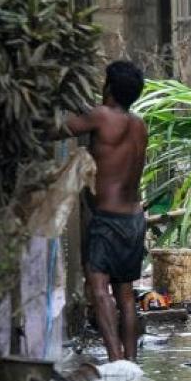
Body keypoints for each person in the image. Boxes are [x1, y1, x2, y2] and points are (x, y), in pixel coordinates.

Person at [59, 60, 148, 361]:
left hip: (107, 219)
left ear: (108, 87)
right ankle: (131, 361)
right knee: (125, 295)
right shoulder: (139, 125)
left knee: (98, 287)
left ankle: (114, 360)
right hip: (134, 219)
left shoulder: (100, 116)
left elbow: (60, 129)